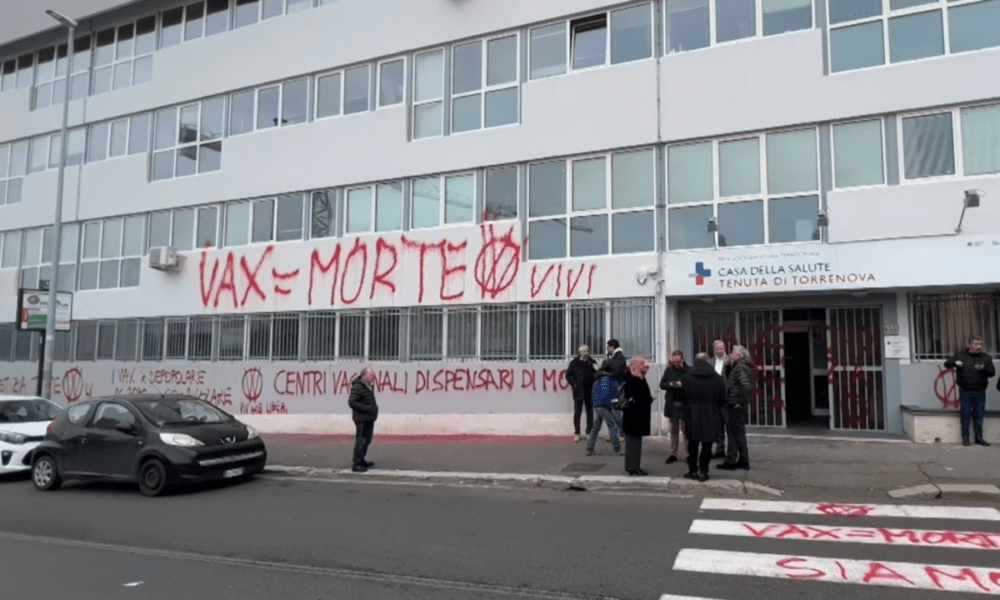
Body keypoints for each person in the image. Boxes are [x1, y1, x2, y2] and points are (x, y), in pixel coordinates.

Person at [678, 352, 726, 482]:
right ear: (707, 361)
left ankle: (692, 470)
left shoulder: (687, 377)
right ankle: (703, 471)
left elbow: (681, 397)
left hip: (692, 414)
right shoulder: (717, 378)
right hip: (711, 414)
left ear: (695, 361)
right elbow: (722, 398)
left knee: (692, 444)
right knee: (707, 445)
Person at [944, 336, 995, 447]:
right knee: (965, 413)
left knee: (979, 414)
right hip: (965, 390)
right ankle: (965, 437)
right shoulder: (960, 355)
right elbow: (947, 364)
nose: (978, 346)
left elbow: (992, 373)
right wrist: (955, 363)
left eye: (980, 344)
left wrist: (983, 369)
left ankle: (979, 437)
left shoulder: (986, 358)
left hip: (980, 390)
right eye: (976, 344)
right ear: (970, 345)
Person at [717, 345, 753, 471]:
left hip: (735, 405)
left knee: (733, 433)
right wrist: (728, 365)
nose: (730, 354)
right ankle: (742, 460)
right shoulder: (738, 367)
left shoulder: (740, 368)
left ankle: (732, 460)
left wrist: (740, 402)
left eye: (733, 353)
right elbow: (731, 382)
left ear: (739, 355)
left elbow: (745, 386)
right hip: (735, 403)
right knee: (738, 433)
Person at [621, 357, 654, 476]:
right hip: (633, 417)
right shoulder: (632, 380)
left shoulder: (638, 378)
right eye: (642, 366)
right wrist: (648, 399)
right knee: (632, 444)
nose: (644, 369)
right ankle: (632, 467)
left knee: (636, 444)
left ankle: (635, 467)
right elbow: (639, 396)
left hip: (636, 417)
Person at [659, 350, 689, 464]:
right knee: (674, 430)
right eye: (674, 361)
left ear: (682, 359)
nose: (676, 364)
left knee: (686, 430)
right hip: (672, 404)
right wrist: (670, 385)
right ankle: (673, 454)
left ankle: (688, 454)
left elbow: (692, 384)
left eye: (678, 361)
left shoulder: (688, 370)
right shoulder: (669, 370)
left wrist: (682, 385)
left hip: (685, 403)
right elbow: (661, 384)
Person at [586, 363, 622, 456]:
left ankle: (590, 447)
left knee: (596, 426)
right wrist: (612, 404)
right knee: (613, 425)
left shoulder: (598, 378)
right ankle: (617, 448)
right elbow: (606, 395)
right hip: (603, 406)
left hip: (597, 405)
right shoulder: (607, 379)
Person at [347, 367, 379, 472]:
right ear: (364, 375)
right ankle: (356, 464)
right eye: (372, 375)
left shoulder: (368, 386)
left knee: (367, 440)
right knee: (361, 441)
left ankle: (362, 460)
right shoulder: (358, 387)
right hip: (362, 418)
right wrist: (367, 409)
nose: (374, 377)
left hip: (368, 418)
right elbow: (352, 402)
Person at [565, 345, 597, 442]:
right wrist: (574, 384)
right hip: (578, 391)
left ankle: (589, 432)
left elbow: (597, 374)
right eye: (584, 351)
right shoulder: (574, 363)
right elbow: (568, 376)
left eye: (587, 351)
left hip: (589, 391)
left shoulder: (591, 362)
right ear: (580, 352)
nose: (586, 353)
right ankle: (577, 433)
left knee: (589, 412)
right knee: (577, 412)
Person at [709, 340, 730, 459]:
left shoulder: (729, 361)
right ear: (714, 350)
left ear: (725, 348)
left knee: (729, 426)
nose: (719, 351)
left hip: (726, 398)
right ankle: (719, 449)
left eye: (721, 349)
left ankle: (732, 452)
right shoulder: (710, 362)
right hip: (714, 399)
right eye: (717, 349)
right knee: (717, 426)